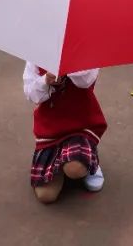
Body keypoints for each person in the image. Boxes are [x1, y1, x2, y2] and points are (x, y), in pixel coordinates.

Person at [23, 63, 106, 204]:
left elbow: (85, 82)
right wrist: (45, 81)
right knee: (46, 195)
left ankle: (89, 163)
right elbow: (31, 94)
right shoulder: (37, 54)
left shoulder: (86, 52)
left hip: (80, 124)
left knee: (75, 169)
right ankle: (62, 162)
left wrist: (67, 66)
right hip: (50, 127)